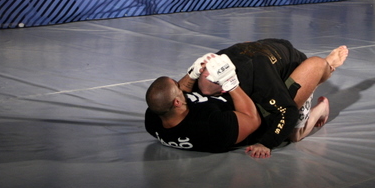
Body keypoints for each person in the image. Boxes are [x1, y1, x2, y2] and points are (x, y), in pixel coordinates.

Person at [145, 39, 348, 158]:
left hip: (254, 56)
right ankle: (324, 81)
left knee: (216, 73)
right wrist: (231, 84)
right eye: (179, 90)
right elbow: (262, 117)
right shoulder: (212, 128)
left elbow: (175, 92)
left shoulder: (154, 118)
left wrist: (193, 73)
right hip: (268, 75)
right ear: (177, 103)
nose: (184, 87)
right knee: (293, 134)